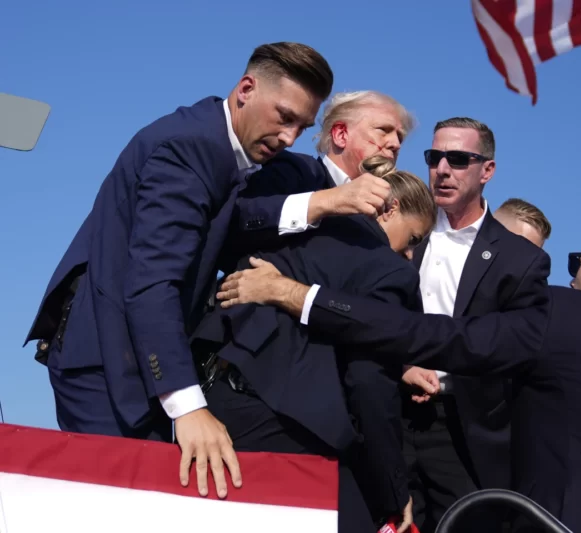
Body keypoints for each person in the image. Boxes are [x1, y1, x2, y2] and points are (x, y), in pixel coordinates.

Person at [217, 219, 581, 532]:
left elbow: (434, 336)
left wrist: (300, 296)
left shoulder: (558, 315)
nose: (570, 277)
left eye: (578, 263)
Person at [24, 42, 333, 499]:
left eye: (302, 128)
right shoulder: (191, 148)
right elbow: (152, 282)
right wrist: (188, 406)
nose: (290, 137)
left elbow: (232, 215)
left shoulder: (219, 145)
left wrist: (324, 201)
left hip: (134, 366)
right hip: (106, 367)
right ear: (246, 88)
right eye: (284, 117)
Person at [192, 155, 436, 532]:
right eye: (413, 240)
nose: (409, 255)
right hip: (283, 424)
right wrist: (394, 488)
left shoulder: (303, 228)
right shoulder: (391, 272)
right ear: (390, 210)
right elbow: (369, 381)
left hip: (209, 401)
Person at [392, 117, 549, 532]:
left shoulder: (521, 259)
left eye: (458, 159)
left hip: (466, 431)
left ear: (487, 170)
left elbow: (518, 347)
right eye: (434, 157)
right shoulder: (398, 233)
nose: (442, 169)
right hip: (391, 416)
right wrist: (401, 366)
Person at [223, 89, 413, 264]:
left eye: (400, 138)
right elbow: (237, 219)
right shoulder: (296, 171)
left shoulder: (390, 213)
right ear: (341, 134)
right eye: (383, 130)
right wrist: (329, 201)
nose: (395, 144)